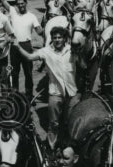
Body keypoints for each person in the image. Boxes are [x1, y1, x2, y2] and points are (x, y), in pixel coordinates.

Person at [15, 18, 81, 146]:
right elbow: (29, 57)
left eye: (60, 37)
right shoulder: (46, 52)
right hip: (55, 93)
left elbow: (83, 66)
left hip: (72, 93)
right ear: (51, 39)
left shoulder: (71, 50)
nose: (57, 40)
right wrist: (17, 46)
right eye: (55, 37)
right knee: (53, 123)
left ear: (64, 38)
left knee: (71, 121)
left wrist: (80, 54)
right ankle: (52, 146)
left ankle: (68, 146)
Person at [7, 0, 43, 100]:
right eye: (18, 4)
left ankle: (29, 95)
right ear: (16, 5)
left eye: (22, 3)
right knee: (14, 72)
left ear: (26, 3)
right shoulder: (13, 13)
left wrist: (46, 25)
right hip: (14, 46)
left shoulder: (32, 16)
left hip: (26, 45)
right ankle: (15, 95)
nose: (20, 5)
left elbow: (39, 31)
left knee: (28, 72)